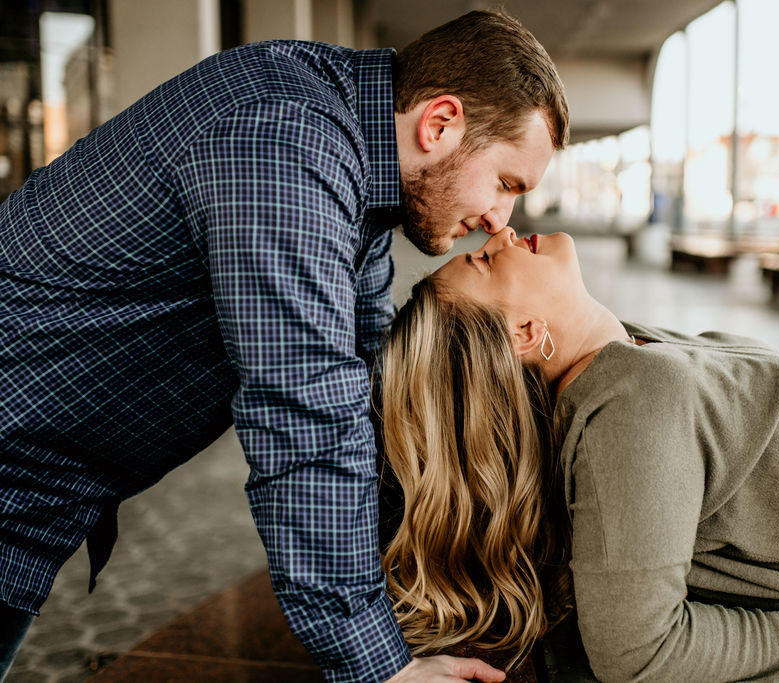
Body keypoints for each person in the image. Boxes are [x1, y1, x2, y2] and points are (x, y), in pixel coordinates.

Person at [0, 10, 568, 683]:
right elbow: (307, 411)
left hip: (34, 496)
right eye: (507, 184)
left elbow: (364, 396)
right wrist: (377, 667)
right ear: (439, 123)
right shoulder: (284, 140)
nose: (499, 223)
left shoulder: (352, 181)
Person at [379, 226, 779, 682]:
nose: (496, 233)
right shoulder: (630, 408)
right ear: (524, 334)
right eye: (484, 263)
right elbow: (637, 651)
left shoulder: (626, 354)